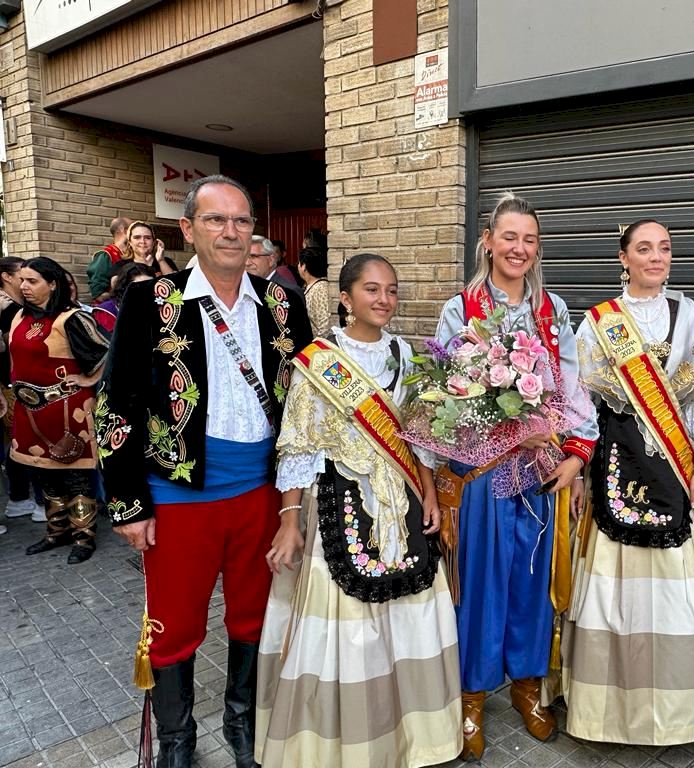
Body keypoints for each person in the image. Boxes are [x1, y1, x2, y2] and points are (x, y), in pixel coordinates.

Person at [96, 175, 312, 768]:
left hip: (262, 494)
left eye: (241, 220)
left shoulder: (284, 304)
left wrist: (296, 503)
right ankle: (176, 739)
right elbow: (116, 404)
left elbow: (306, 406)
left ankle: (243, 720)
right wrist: (128, 504)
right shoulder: (149, 301)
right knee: (174, 623)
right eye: (216, 220)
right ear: (188, 230)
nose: (231, 232)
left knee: (253, 613)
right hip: (177, 494)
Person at [256, 253, 461, 768]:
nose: (384, 299)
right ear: (345, 298)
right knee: (344, 619)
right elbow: (298, 445)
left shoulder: (405, 355)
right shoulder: (318, 361)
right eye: (372, 289)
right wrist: (288, 521)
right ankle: (345, 743)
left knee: (408, 613)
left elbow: (418, 435)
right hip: (340, 499)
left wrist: (430, 492)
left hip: (402, 499)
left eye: (391, 290)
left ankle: (415, 736)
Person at [435, 192, 598, 761]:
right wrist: (514, 432)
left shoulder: (553, 310)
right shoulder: (461, 309)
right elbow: (449, 395)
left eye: (529, 239)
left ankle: (529, 686)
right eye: (509, 237)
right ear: (487, 241)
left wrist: (576, 457)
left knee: (531, 582)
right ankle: (473, 693)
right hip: (482, 473)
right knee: (480, 584)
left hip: (542, 471)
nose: (519, 248)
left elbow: (574, 389)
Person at [567, 220, 694, 744]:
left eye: (664, 248)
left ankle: (679, 710)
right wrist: (577, 472)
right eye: (644, 248)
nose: (656, 257)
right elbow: (580, 406)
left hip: (675, 465)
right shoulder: (598, 322)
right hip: (615, 463)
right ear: (624, 258)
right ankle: (608, 711)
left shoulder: (687, 314)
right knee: (612, 587)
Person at [10, 258, 108, 564]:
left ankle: (83, 537)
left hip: (67, 410)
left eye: (32, 281)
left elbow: (107, 352)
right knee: (45, 473)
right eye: (22, 280)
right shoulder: (19, 317)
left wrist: (89, 379)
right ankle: (57, 531)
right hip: (29, 411)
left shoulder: (72, 319)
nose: (24, 286)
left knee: (75, 475)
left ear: (52, 284)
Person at [0, 258, 45, 524]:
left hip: (13, 386)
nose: (26, 281)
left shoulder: (15, 307)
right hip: (12, 387)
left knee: (18, 443)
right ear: (7, 276)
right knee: (27, 441)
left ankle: (19, 499)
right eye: (23, 275)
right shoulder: (10, 310)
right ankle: (38, 501)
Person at [91, 261, 156, 333]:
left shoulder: (157, 306)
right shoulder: (107, 311)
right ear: (124, 287)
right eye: (139, 286)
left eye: (150, 285)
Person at [86, 216, 131, 301]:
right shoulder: (106, 255)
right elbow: (98, 295)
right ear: (125, 231)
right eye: (133, 229)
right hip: (111, 307)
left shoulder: (131, 254)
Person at [296, 247, 331, 337]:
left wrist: (317, 344)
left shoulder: (320, 289)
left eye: (299, 263)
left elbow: (325, 325)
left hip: (319, 344)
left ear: (304, 266)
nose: (298, 266)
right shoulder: (313, 286)